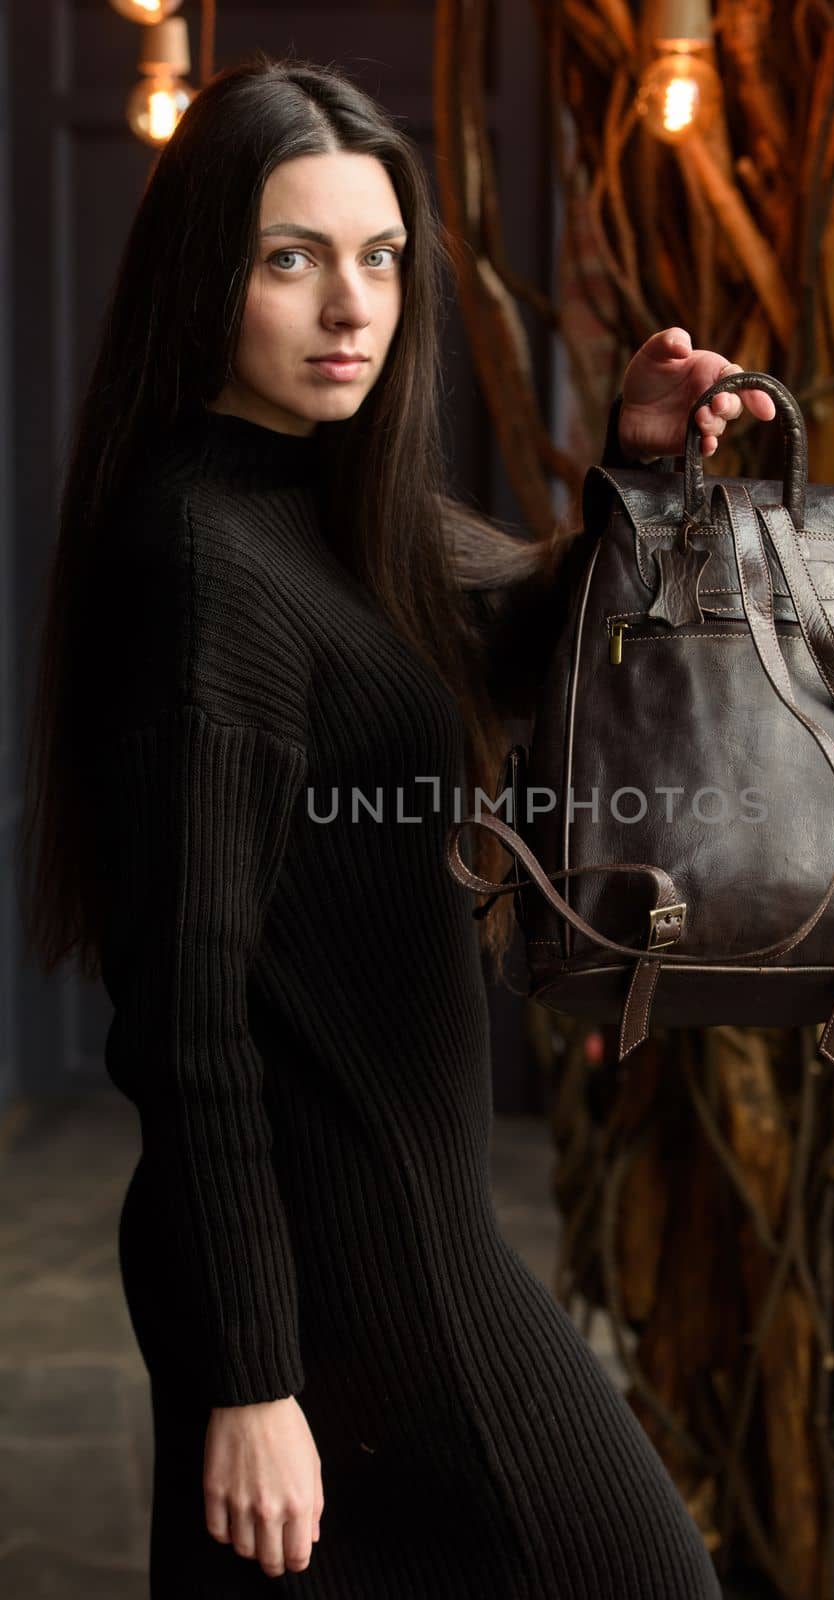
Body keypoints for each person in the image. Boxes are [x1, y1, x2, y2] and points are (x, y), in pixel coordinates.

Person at [18, 50, 769, 1599]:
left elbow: (527, 624)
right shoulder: (202, 558)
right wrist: (249, 1375)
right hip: (347, 1264)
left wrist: (633, 472)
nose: (352, 308)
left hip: (388, 1228)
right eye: (291, 260)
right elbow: (188, 1017)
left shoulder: (330, 499)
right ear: (203, 275)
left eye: (380, 259)